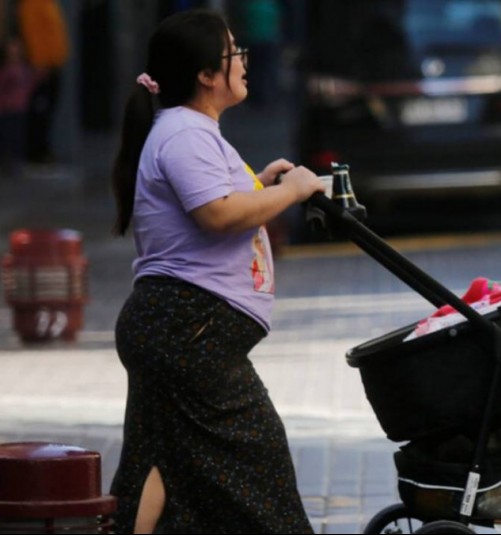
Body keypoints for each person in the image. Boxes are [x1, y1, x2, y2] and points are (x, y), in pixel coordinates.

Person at [109, 9, 325, 534]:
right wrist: (290, 192)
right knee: (257, 456)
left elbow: (225, 199)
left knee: (159, 461)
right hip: (187, 333)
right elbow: (218, 213)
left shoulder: (190, 130)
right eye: (234, 53)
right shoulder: (184, 132)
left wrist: (267, 184)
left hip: (183, 333)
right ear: (206, 74)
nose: (244, 62)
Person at [16, 0, 68, 164]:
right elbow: (33, 33)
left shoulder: (46, 3)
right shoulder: (32, 4)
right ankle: (36, 154)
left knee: (48, 109)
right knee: (40, 110)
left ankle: (43, 151)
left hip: (53, 63)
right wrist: (39, 62)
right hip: (43, 66)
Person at [0, 35, 35, 177]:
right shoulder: (6, 71)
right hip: (7, 108)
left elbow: (29, 84)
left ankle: (16, 161)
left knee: (18, 135)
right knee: (8, 135)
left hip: (20, 108)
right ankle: (8, 162)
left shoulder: (23, 69)